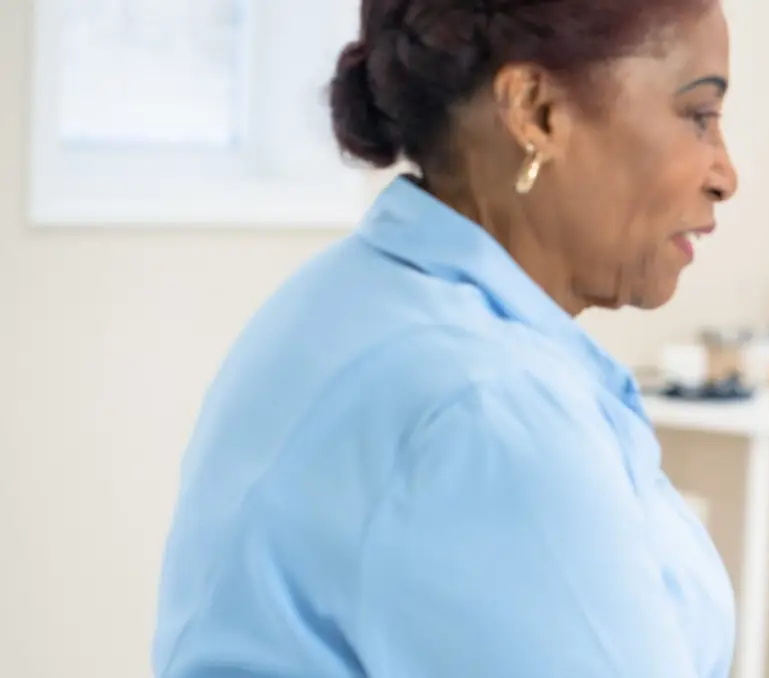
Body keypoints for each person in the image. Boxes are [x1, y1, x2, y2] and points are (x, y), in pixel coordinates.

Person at [151, 0, 738, 676]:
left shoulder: (347, 300)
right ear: (536, 111)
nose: (725, 175)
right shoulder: (485, 407)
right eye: (698, 117)